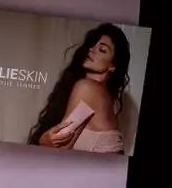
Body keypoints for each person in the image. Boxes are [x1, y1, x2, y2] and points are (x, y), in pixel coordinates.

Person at [28, 23, 132, 154]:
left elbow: (60, 146)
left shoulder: (88, 88)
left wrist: (43, 140)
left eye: (102, 50)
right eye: (93, 44)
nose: (92, 49)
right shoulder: (107, 98)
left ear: (112, 66)